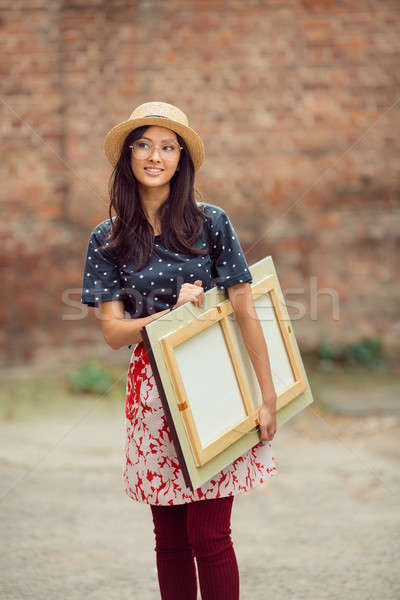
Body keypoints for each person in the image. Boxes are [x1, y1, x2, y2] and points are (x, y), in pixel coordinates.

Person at [81, 101, 278, 599]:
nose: (155, 156)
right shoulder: (106, 238)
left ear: (181, 160)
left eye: (168, 147)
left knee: (209, 537)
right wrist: (169, 316)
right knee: (169, 541)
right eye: (144, 144)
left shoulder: (212, 223)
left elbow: (245, 308)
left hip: (217, 381)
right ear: (127, 156)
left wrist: (268, 393)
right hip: (152, 393)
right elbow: (113, 332)